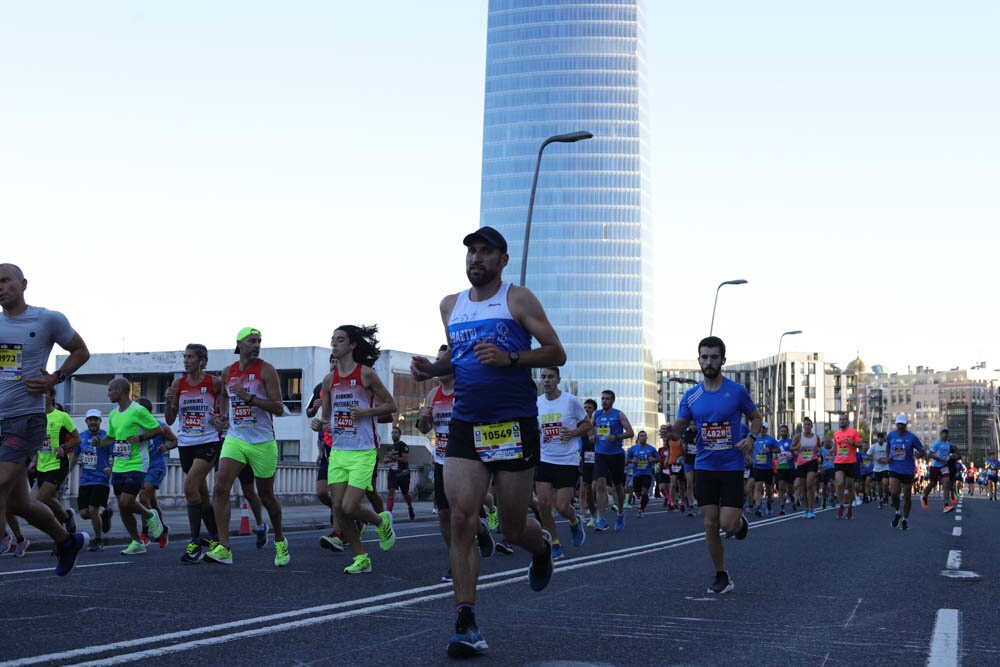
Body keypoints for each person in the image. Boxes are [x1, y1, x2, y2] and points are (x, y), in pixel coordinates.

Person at [410, 226, 566, 658]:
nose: (475, 258)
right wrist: (433, 368)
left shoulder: (518, 299)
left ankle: (541, 549)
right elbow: (456, 359)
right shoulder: (450, 305)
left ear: (502, 260)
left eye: (485, 252)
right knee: (463, 518)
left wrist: (511, 357)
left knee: (512, 528)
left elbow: (556, 352)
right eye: (471, 252)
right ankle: (466, 622)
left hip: (513, 423)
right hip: (466, 423)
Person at [0, 263, 91, 575]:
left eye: (5, 280)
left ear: (23, 284)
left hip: (25, 418)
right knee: (18, 504)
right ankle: (66, 541)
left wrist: (55, 377)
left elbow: (80, 350)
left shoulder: (47, 318)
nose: (1, 286)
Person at [659, 336, 761, 595]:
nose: (709, 361)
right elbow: (680, 428)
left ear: (723, 360)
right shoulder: (692, 396)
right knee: (709, 524)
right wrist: (670, 431)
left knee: (728, 525)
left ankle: (739, 523)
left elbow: (756, 418)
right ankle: (721, 574)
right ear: (699, 360)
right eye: (704, 357)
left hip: (731, 466)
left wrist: (751, 438)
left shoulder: (736, 391)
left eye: (714, 357)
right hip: (705, 466)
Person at [311, 325, 397, 574]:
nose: (334, 344)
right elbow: (327, 417)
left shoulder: (366, 375)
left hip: (363, 451)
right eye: (332, 340)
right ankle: (362, 558)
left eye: (340, 340)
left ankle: (381, 521)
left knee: (349, 507)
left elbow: (390, 405)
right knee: (339, 508)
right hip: (338, 450)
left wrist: (366, 412)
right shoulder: (329, 381)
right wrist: (319, 422)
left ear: (352, 345)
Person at [205, 328, 289, 567]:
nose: (257, 345)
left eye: (259, 341)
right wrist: (221, 417)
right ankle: (224, 547)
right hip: (236, 438)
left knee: (266, 497)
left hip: (262, 441)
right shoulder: (227, 372)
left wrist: (249, 397)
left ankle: (280, 539)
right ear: (239, 344)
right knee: (220, 489)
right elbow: (224, 399)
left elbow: (278, 408)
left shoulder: (266, 370)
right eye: (252, 341)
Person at [164, 343, 224, 563]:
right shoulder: (178, 384)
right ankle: (216, 538)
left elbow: (225, 403)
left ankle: (195, 542)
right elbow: (170, 419)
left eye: (190, 357)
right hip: (186, 443)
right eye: (185, 356)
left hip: (208, 441)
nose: (186, 360)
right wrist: (170, 401)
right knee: (201, 494)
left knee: (189, 485)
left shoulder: (214, 382)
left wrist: (221, 417)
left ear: (202, 361)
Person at [97, 378, 165, 555]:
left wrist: (141, 438)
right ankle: (137, 542)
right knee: (123, 506)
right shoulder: (113, 414)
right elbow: (110, 438)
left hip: (137, 463)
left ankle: (150, 515)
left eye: (110, 390)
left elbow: (159, 430)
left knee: (126, 501)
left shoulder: (138, 410)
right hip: (119, 464)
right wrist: (99, 442)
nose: (108, 393)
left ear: (119, 390)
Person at [535, 366, 588, 558]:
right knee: (542, 504)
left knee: (563, 507)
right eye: (543, 377)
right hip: (544, 458)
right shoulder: (538, 403)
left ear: (558, 379)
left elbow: (588, 423)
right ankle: (555, 543)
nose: (546, 380)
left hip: (567, 460)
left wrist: (573, 433)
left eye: (550, 377)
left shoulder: (570, 401)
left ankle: (575, 521)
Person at [32, 388, 81, 536]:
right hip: (41, 465)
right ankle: (63, 525)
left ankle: (66, 518)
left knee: (43, 498)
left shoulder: (61, 416)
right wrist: (34, 460)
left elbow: (77, 439)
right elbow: (36, 442)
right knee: (40, 502)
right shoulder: (36, 417)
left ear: (52, 395)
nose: (41, 395)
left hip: (58, 464)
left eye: (44, 392)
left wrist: (63, 447)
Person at [135, 397, 176, 547]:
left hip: (156, 467)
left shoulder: (160, 426)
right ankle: (163, 528)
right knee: (151, 502)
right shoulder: (135, 426)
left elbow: (174, 441)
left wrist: (167, 448)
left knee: (143, 497)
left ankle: (145, 533)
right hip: (141, 467)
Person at [592, 389, 635, 532]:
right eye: (602, 398)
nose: (604, 401)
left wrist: (616, 437)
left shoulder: (618, 414)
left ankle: (621, 512)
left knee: (618, 487)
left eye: (607, 399)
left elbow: (630, 432)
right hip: (600, 454)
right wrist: (592, 436)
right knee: (600, 485)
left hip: (616, 454)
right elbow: (590, 429)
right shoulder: (596, 414)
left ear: (612, 400)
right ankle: (602, 519)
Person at [76, 409, 113, 551]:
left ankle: (98, 540)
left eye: (95, 419)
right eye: (90, 419)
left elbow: (116, 455)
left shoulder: (106, 437)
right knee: (84, 514)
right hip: (85, 480)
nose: (92, 422)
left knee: (93, 509)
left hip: (101, 479)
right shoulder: (82, 437)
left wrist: (112, 469)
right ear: (86, 421)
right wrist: (67, 471)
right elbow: (75, 455)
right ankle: (105, 514)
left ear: (100, 421)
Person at [886, 414, 923, 530]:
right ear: (896, 424)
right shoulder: (891, 435)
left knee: (907, 496)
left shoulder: (912, 437)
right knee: (894, 493)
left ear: (906, 425)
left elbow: (922, 450)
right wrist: (888, 456)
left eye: (902, 424)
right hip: (894, 468)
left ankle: (905, 519)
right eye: (898, 424)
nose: (900, 426)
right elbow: (888, 447)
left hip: (907, 469)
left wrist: (919, 454)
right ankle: (897, 512)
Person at [832, 413, 863, 519]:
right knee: (839, 483)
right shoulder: (836, 434)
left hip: (850, 462)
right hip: (839, 462)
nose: (842, 421)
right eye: (840, 419)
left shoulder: (853, 432)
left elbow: (861, 444)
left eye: (844, 419)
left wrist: (852, 443)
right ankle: (841, 505)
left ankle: (849, 507)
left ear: (847, 421)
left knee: (850, 487)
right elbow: (836, 447)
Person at [790, 417, 821, 518]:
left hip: (812, 462)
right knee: (803, 488)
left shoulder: (816, 437)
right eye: (805, 424)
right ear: (803, 426)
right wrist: (798, 447)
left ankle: (811, 508)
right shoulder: (799, 436)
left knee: (809, 484)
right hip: (801, 463)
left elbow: (819, 448)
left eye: (809, 424)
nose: (807, 426)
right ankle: (806, 509)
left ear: (812, 426)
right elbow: (791, 448)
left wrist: (817, 449)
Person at [384, 426, 416, 520]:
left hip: (403, 473)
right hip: (393, 473)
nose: (393, 434)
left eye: (396, 432)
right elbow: (385, 459)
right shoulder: (390, 447)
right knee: (390, 493)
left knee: (405, 494)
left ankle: (410, 507)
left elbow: (405, 459)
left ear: (400, 434)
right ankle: (389, 515)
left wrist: (393, 457)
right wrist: (387, 459)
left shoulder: (403, 446)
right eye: (392, 432)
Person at [922, 427, 956, 513]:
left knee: (946, 483)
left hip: (944, 467)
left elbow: (952, 453)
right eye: (944, 433)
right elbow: (930, 454)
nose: (945, 434)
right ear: (940, 434)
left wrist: (951, 456)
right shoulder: (937, 443)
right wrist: (939, 459)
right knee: (933, 483)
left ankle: (946, 505)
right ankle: (924, 496)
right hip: (935, 466)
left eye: (947, 433)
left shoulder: (949, 444)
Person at [750, 423, 778, 517]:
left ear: (766, 429)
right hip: (757, 466)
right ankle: (758, 507)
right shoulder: (754, 438)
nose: (762, 430)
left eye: (764, 428)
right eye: (760, 428)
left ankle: (769, 501)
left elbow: (778, 450)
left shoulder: (770, 439)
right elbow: (749, 448)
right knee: (758, 486)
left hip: (768, 467)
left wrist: (770, 450)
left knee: (769, 488)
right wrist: (748, 457)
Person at [579, 399, 598, 526]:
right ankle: (587, 515)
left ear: (594, 410)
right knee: (585, 489)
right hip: (585, 459)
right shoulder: (579, 425)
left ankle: (598, 511)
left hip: (599, 458)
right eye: (585, 407)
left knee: (595, 488)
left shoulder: (599, 424)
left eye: (589, 407)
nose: (586, 409)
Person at [774, 425, 795, 515]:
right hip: (781, 467)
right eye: (782, 431)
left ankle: (791, 496)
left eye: (785, 431)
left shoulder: (791, 442)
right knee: (781, 487)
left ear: (788, 432)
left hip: (790, 467)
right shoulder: (777, 442)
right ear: (779, 432)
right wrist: (777, 456)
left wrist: (791, 455)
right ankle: (782, 507)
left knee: (789, 488)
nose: (783, 433)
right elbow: (775, 455)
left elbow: (795, 453)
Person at [868, 431, 890, 508]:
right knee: (879, 485)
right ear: (877, 439)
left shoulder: (887, 445)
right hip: (877, 469)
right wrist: (875, 459)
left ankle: (885, 495)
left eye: (882, 438)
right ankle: (881, 498)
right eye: (879, 438)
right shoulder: (874, 446)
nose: (880, 439)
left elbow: (890, 455)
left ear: (884, 439)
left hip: (886, 467)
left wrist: (886, 459)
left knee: (885, 482)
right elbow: (868, 455)